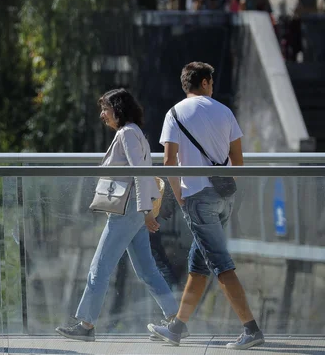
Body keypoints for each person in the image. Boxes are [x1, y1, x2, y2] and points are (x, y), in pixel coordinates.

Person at [149, 62, 264, 350]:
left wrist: (180, 197)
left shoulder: (174, 113)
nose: (212, 86)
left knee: (220, 264)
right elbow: (237, 159)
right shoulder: (224, 111)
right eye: (210, 82)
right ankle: (177, 327)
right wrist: (225, 187)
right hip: (225, 196)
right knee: (200, 263)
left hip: (198, 197)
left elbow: (168, 162)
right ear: (203, 83)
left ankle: (251, 329)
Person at [56, 89, 179, 342]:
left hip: (127, 212)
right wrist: (144, 210)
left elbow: (139, 173)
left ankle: (86, 325)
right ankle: (176, 320)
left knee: (98, 268)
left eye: (105, 109)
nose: (102, 115)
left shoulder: (127, 134)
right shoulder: (135, 133)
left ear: (118, 109)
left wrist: (145, 210)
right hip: (135, 210)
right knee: (147, 270)